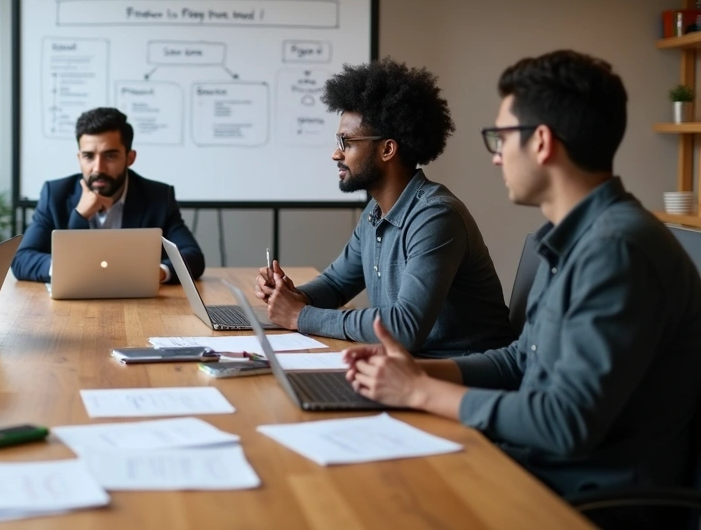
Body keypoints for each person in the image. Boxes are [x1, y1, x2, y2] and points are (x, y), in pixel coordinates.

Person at [344, 50, 701, 510]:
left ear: (542, 143)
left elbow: (564, 422)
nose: (496, 158)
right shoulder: (570, 238)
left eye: (501, 138)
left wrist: (420, 391)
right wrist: (413, 373)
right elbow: (520, 362)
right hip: (534, 467)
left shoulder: (617, 251)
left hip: (585, 500)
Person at [255, 58, 515, 358]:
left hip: (458, 374)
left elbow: (405, 328)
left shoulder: (436, 217)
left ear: (387, 149)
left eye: (346, 142)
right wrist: (292, 295)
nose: (336, 154)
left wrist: (300, 316)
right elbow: (337, 284)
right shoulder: (375, 213)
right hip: (411, 367)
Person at [10, 107, 204, 284]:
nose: (98, 168)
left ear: (130, 158)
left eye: (110, 156)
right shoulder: (55, 195)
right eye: (88, 156)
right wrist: (80, 216)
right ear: (79, 158)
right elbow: (21, 259)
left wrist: (158, 272)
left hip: (138, 303)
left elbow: (192, 255)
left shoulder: (159, 197)